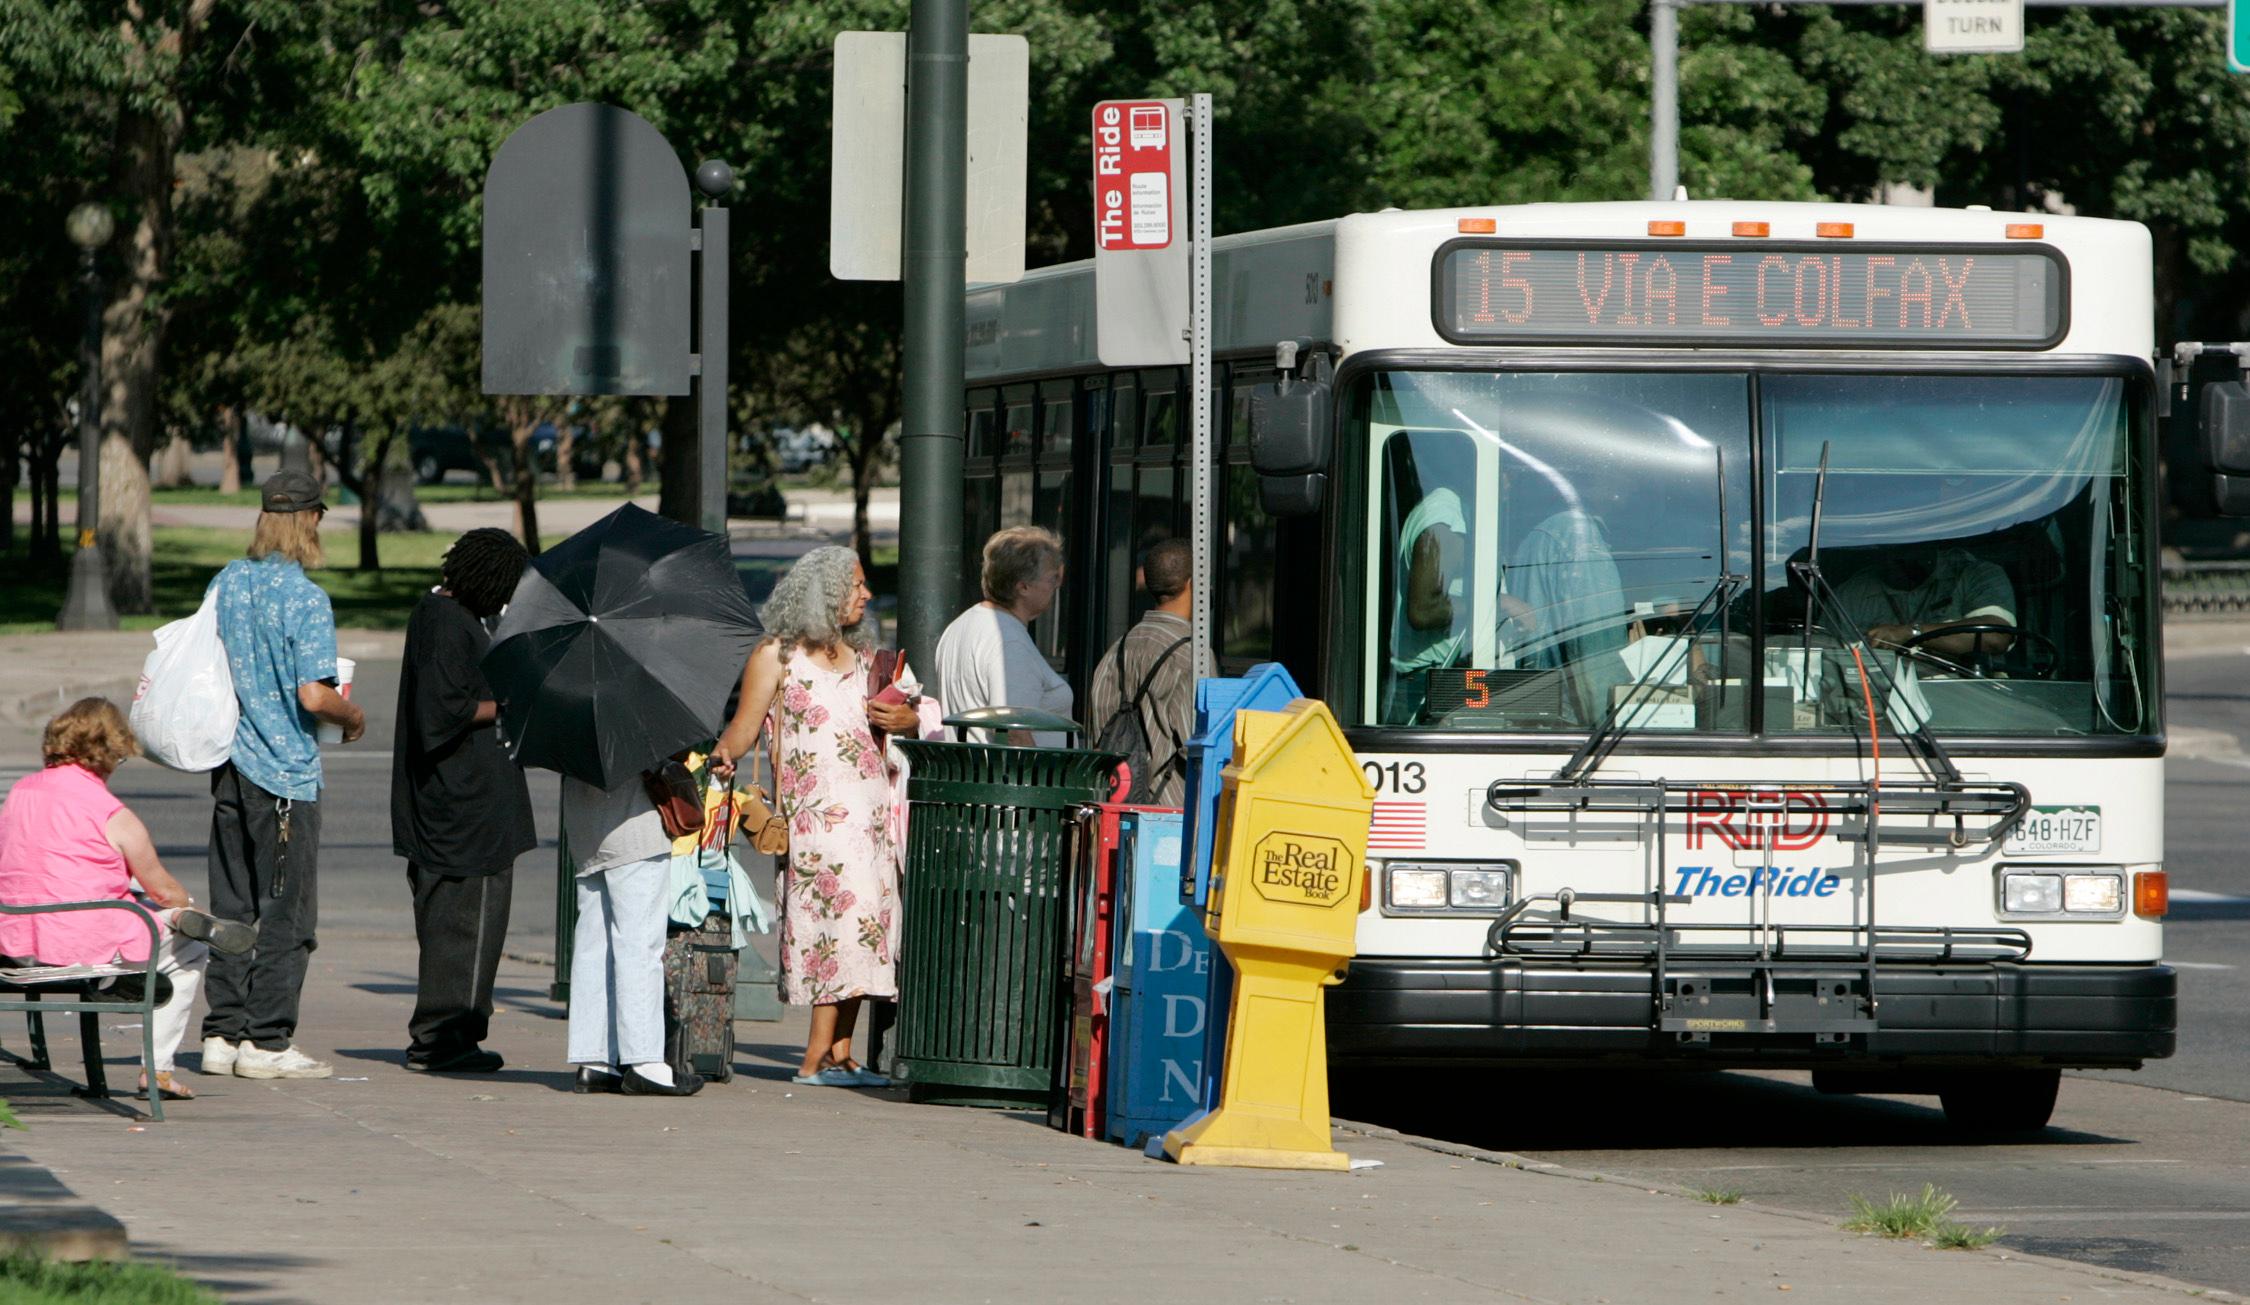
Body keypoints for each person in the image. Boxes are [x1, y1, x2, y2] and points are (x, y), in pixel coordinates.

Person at [711, 546, 923, 1087]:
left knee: (866, 932)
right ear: (824, 592)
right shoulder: (777, 655)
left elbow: (916, 722)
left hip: (871, 819)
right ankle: (812, 1057)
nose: (866, 595)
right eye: (855, 585)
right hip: (818, 823)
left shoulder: (869, 657)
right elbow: (745, 728)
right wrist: (714, 765)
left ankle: (841, 1053)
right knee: (836, 929)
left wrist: (906, 719)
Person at [0, 700, 256, 1101]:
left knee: (123, 901)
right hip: (79, 946)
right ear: (110, 751)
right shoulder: (109, 813)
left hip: (14, 942)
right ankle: (156, 1068)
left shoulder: (18, 794)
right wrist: (184, 903)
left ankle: (127, 974)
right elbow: (162, 888)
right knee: (187, 942)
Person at [200, 470, 364, 1081]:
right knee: (288, 915)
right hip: (284, 775)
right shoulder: (305, 598)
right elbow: (314, 696)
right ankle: (266, 1042)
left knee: (232, 907)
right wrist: (354, 717)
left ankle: (222, 1032)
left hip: (228, 765)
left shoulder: (227, 582)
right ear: (312, 520)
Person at [391, 529, 534, 1074]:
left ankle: (451, 1034)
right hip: (460, 809)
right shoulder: (447, 623)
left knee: (465, 926)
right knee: (464, 927)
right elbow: (442, 711)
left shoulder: (454, 618)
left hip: (470, 805)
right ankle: (444, 1039)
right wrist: (504, 704)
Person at [561, 755, 701, 1097]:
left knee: (594, 944)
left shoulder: (570, 705)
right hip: (634, 823)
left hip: (586, 824)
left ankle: (594, 1060)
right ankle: (645, 1062)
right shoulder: (631, 705)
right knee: (640, 945)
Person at [1084, 539, 1214, 807]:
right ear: (1192, 583)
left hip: (1115, 807)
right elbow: (1198, 746)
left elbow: (1100, 730)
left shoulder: (1117, 650)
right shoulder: (1192, 656)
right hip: (1170, 813)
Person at [933, 526, 1073, 746]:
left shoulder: (960, 626)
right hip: (1011, 778)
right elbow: (1014, 731)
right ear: (1023, 587)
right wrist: (1035, 776)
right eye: (1052, 578)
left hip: (977, 772)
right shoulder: (1009, 641)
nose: (1056, 586)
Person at [1833, 545, 2017, 666]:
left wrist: (1910, 633)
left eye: (1914, 544)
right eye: (1897, 546)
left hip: (1972, 694)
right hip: (1878, 698)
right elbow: (1825, 658)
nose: (1906, 555)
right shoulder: (1852, 593)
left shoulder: (1975, 574)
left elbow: (1995, 638)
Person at [1388, 487, 1469, 724]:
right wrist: (1497, 605)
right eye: (1503, 470)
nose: (1509, 478)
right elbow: (1424, 610)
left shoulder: (1455, 514)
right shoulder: (1445, 517)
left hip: (1444, 681)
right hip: (1431, 685)